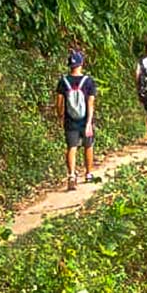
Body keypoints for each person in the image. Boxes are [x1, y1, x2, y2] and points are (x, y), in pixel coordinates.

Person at [55, 50, 97, 191]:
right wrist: (89, 123)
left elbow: (59, 103)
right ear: (81, 64)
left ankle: (72, 175)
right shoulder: (88, 81)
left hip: (70, 120)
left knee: (71, 147)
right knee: (88, 146)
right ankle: (89, 173)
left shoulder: (63, 81)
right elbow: (90, 103)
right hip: (85, 119)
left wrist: (61, 117)